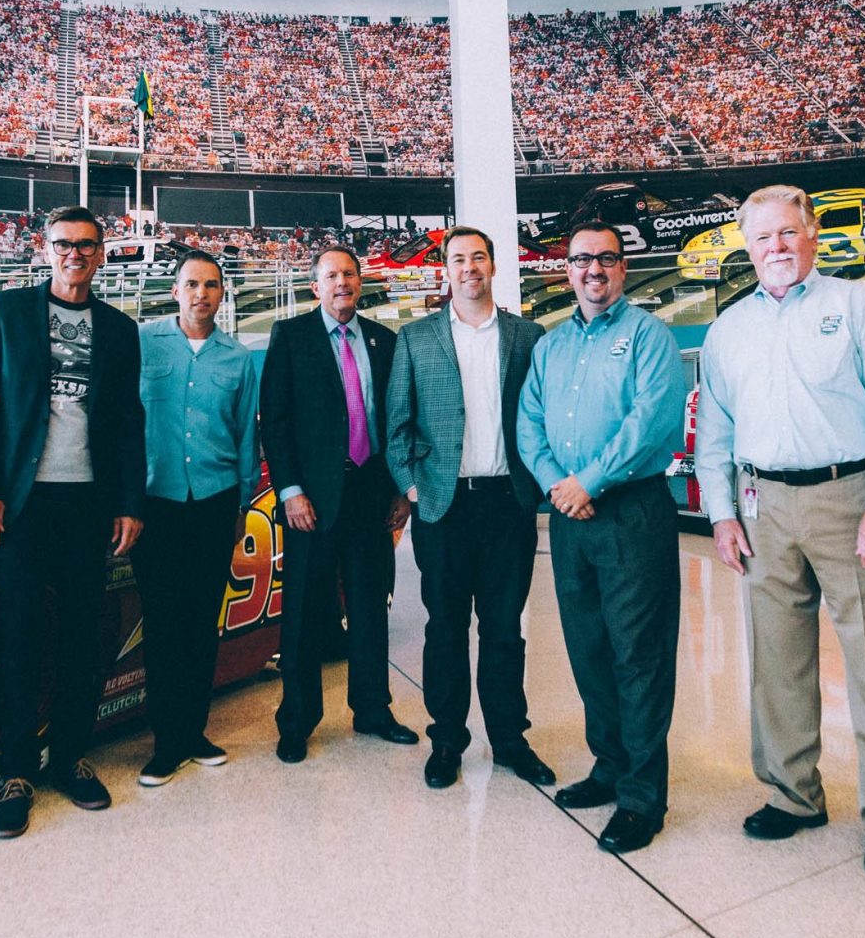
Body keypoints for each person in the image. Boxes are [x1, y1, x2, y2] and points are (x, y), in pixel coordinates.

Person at [694, 185, 865, 876]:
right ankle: (792, 794)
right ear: (747, 247)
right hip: (762, 503)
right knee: (777, 660)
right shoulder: (728, 330)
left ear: (813, 234)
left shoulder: (857, 306)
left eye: (788, 232)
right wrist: (722, 513)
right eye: (763, 237)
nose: (777, 247)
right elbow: (715, 435)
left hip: (848, 497)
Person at [0, 205, 145, 839]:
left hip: (89, 503)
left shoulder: (118, 329)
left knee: (83, 636)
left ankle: (69, 757)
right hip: (25, 503)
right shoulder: (6, 312)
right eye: (64, 244)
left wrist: (129, 502)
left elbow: (128, 422)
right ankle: (16, 772)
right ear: (46, 249)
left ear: (101, 254)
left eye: (87, 245)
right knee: (20, 634)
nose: (75, 254)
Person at [518, 222, 685, 853]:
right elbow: (529, 421)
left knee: (638, 653)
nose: (594, 269)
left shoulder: (648, 336)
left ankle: (642, 795)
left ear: (623, 268)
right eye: (582, 259)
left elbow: (652, 421)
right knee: (588, 646)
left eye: (606, 258)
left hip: (631, 511)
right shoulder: (551, 346)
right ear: (567, 270)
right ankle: (610, 765)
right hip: (570, 516)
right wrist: (557, 485)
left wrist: (588, 481)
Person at [385, 226, 553, 791]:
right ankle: (447, 741)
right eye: (458, 259)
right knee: (446, 629)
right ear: (446, 269)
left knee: (505, 629)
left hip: (508, 504)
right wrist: (412, 488)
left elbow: (541, 417)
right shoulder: (416, 338)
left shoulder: (528, 337)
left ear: (493, 265)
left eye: (478, 257)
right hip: (444, 507)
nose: (469, 268)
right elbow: (397, 426)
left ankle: (509, 740)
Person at [259, 246, 415, 762]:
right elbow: (275, 420)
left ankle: (372, 709)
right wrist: (290, 490)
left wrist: (401, 489)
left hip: (372, 495)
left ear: (360, 281)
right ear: (315, 286)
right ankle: (297, 721)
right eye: (331, 275)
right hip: (312, 500)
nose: (342, 282)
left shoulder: (384, 340)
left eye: (349, 273)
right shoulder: (291, 337)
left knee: (371, 607)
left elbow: (397, 420)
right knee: (304, 613)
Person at [132, 250, 259, 788]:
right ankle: (167, 741)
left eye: (210, 285)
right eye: (191, 284)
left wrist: (242, 503)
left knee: (203, 621)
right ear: (175, 291)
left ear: (222, 294)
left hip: (214, 499)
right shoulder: (143, 343)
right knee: (162, 621)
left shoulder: (238, 358)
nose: (201, 294)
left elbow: (246, 436)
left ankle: (194, 731)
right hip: (155, 502)